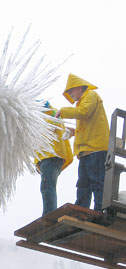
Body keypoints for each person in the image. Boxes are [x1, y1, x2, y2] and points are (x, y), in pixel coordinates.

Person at [55, 73, 110, 211]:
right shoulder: (84, 101)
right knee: (83, 184)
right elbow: (87, 123)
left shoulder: (90, 95)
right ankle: (81, 210)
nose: (70, 94)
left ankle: (100, 211)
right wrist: (73, 131)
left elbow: (84, 112)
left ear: (78, 87)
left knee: (97, 182)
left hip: (96, 149)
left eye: (70, 90)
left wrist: (62, 111)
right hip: (86, 151)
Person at [35, 101, 73, 216]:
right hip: (49, 157)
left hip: (51, 157)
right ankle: (48, 212)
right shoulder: (50, 117)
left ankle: (49, 214)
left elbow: (48, 130)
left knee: (47, 187)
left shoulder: (52, 115)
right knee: (47, 186)